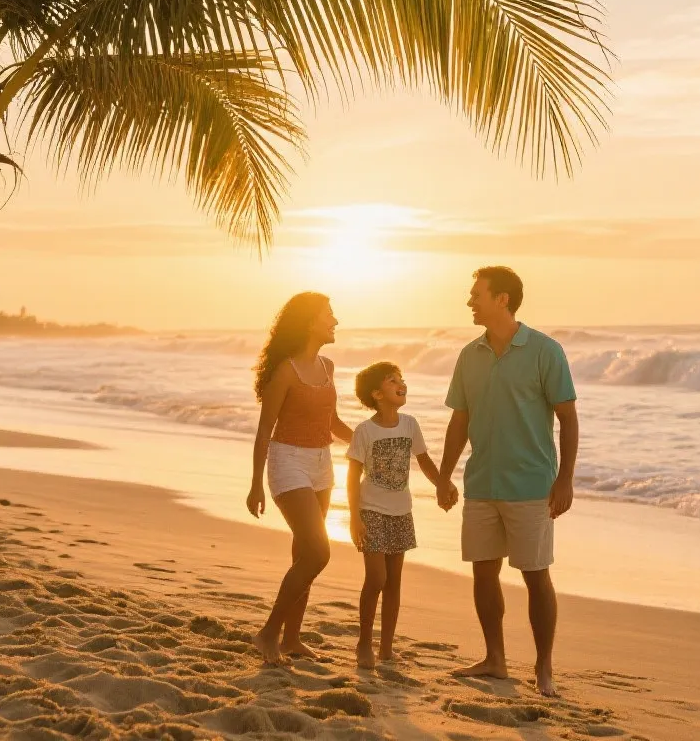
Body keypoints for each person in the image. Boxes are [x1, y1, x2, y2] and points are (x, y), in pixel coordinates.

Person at [436, 266, 579, 697]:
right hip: (482, 483)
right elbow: (459, 421)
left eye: (476, 294)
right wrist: (444, 474)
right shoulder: (469, 355)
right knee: (483, 573)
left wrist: (565, 480)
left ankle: (543, 668)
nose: (470, 301)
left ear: (502, 299)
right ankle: (495, 659)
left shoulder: (544, 351)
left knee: (536, 576)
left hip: (532, 486)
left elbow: (567, 418)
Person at [246, 292, 353, 664]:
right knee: (319, 552)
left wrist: (369, 441)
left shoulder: (328, 366)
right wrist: (256, 483)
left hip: (323, 464)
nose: (335, 321)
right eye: (329, 314)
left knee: (303, 552)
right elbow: (264, 431)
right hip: (287, 462)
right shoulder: (286, 371)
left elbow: (332, 423)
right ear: (310, 322)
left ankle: (292, 638)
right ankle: (268, 634)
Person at [346, 362, 458, 669]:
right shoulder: (364, 431)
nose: (401, 383)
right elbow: (352, 476)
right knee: (376, 578)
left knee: (394, 581)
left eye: (402, 379)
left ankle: (386, 647)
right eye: (392, 380)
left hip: (401, 512)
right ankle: (364, 643)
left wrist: (443, 485)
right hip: (371, 511)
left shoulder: (409, 424)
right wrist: (354, 517)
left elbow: (425, 462)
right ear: (377, 394)